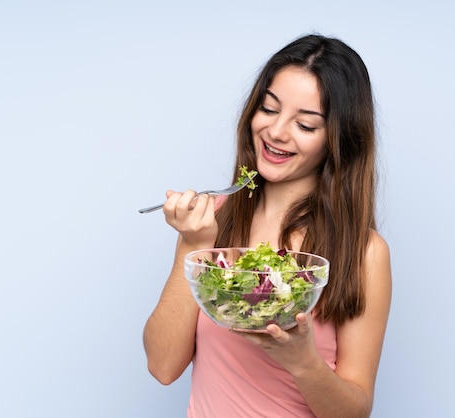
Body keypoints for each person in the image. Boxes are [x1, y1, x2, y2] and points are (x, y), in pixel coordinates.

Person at [143, 34, 392, 418]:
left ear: (339, 141)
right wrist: (194, 245)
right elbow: (162, 366)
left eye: (306, 125)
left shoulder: (363, 252)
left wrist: (302, 360)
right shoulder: (213, 219)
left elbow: (355, 411)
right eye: (269, 109)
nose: (276, 133)